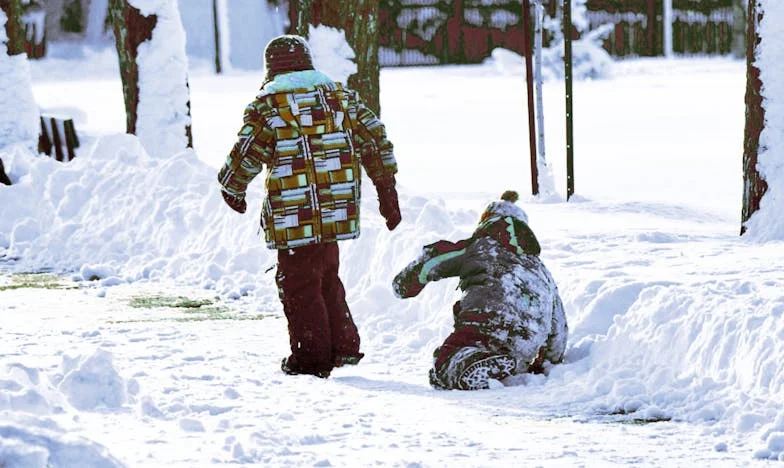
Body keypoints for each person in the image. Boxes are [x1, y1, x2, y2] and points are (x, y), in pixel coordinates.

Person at [217, 35, 401, 378]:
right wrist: (386, 189)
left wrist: (232, 187)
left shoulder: (269, 106)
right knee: (326, 273)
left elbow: (246, 152)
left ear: (271, 68)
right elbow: (374, 140)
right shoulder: (342, 100)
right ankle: (342, 347)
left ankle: (311, 358)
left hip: (294, 212)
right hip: (336, 209)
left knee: (298, 282)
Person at [393, 191, 567, 390]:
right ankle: (496, 364)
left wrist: (403, 284)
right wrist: (548, 362)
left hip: (488, 322)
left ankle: (466, 364)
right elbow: (559, 326)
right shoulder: (541, 270)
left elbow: (434, 260)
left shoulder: (481, 246)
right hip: (526, 341)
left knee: (445, 360)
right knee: (492, 351)